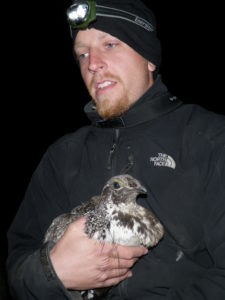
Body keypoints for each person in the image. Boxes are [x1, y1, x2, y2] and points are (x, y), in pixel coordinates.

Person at [6, 0, 225, 299]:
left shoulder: (211, 138)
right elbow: (18, 262)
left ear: (149, 58)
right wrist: (51, 272)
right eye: (82, 53)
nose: (91, 63)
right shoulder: (62, 156)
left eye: (110, 45)